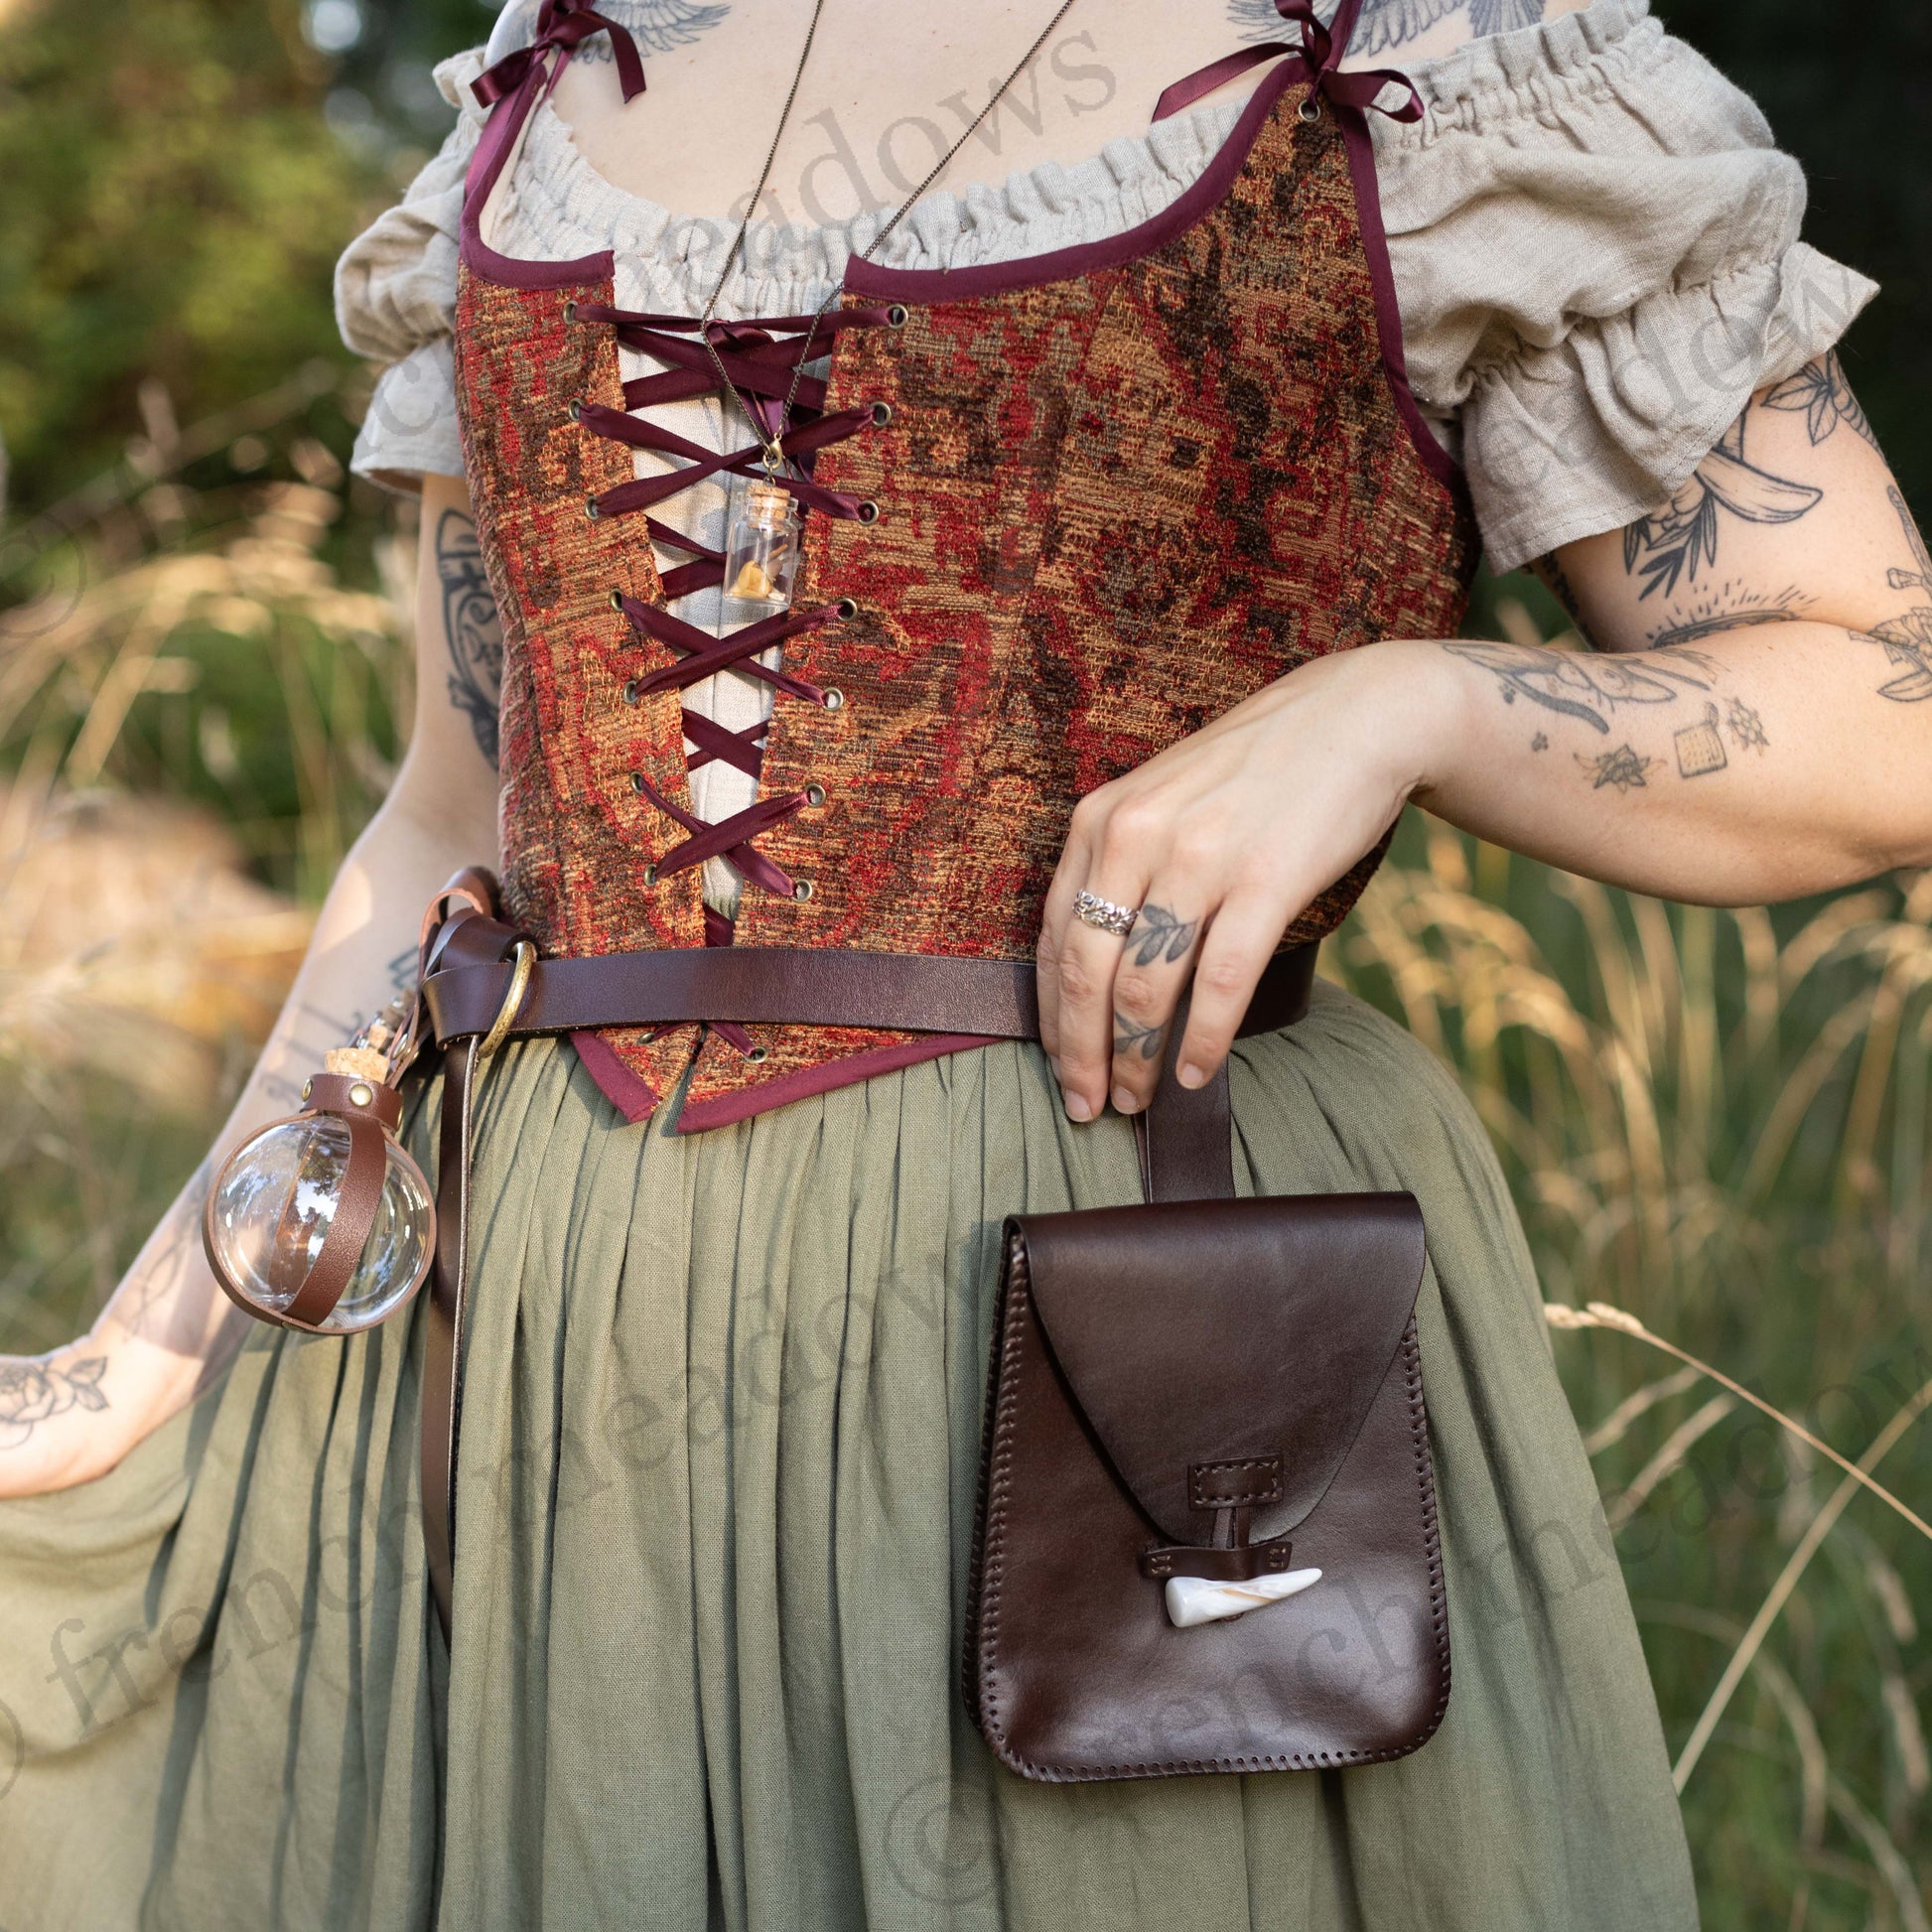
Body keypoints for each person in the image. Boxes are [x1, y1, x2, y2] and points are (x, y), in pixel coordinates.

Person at [0, 0, 1924, 1924]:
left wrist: (1409, 706)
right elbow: (451, 817)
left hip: (1110, 1323)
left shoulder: (1421, 64)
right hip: (527, 1347)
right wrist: (145, 1340)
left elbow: (1884, 711)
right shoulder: (564, 67)